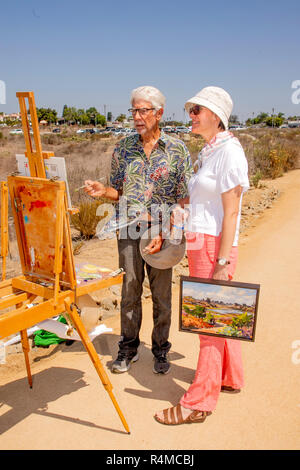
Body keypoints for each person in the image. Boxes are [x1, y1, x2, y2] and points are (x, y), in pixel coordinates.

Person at [154, 86, 250, 424]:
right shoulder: (211, 151)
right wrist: (173, 224)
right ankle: (230, 376)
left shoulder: (230, 153)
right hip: (201, 242)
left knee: (209, 322)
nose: (191, 116)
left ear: (216, 116)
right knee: (221, 314)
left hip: (213, 246)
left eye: (197, 110)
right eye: (191, 110)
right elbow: (199, 203)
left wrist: (223, 263)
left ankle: (198, 403)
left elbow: (232, 213)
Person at [84, 86, 193, 375]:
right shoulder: (123, 148)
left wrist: (170, 228)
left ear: (159, 113)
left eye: (143, 110)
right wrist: (102, 190)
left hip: (163, 230)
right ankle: (128, 348)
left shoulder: (178, 150)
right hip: (129, 230)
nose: (137, 116)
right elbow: (117, 191)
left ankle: (160, 350)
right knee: (130, 289)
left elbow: (184, 197)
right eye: (134, 110)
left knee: (161, 294)